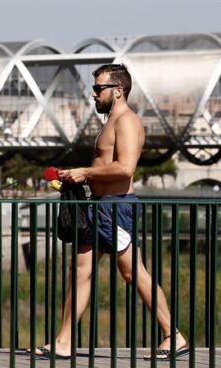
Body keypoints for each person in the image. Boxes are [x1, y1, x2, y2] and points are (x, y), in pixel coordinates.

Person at [31, 64, 188, 361]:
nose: (93, 94)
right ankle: (63, 342)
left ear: (118, 90)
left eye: (99, 88)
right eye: (94, 88)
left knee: (132, 272)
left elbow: (125, 168)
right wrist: (77, 176)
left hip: (115, 208)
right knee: (81, 271)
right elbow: (106, 167)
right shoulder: (112, 121)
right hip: (101, 206)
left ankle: (174, 335)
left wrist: (86, 172)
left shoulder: (127, 122)